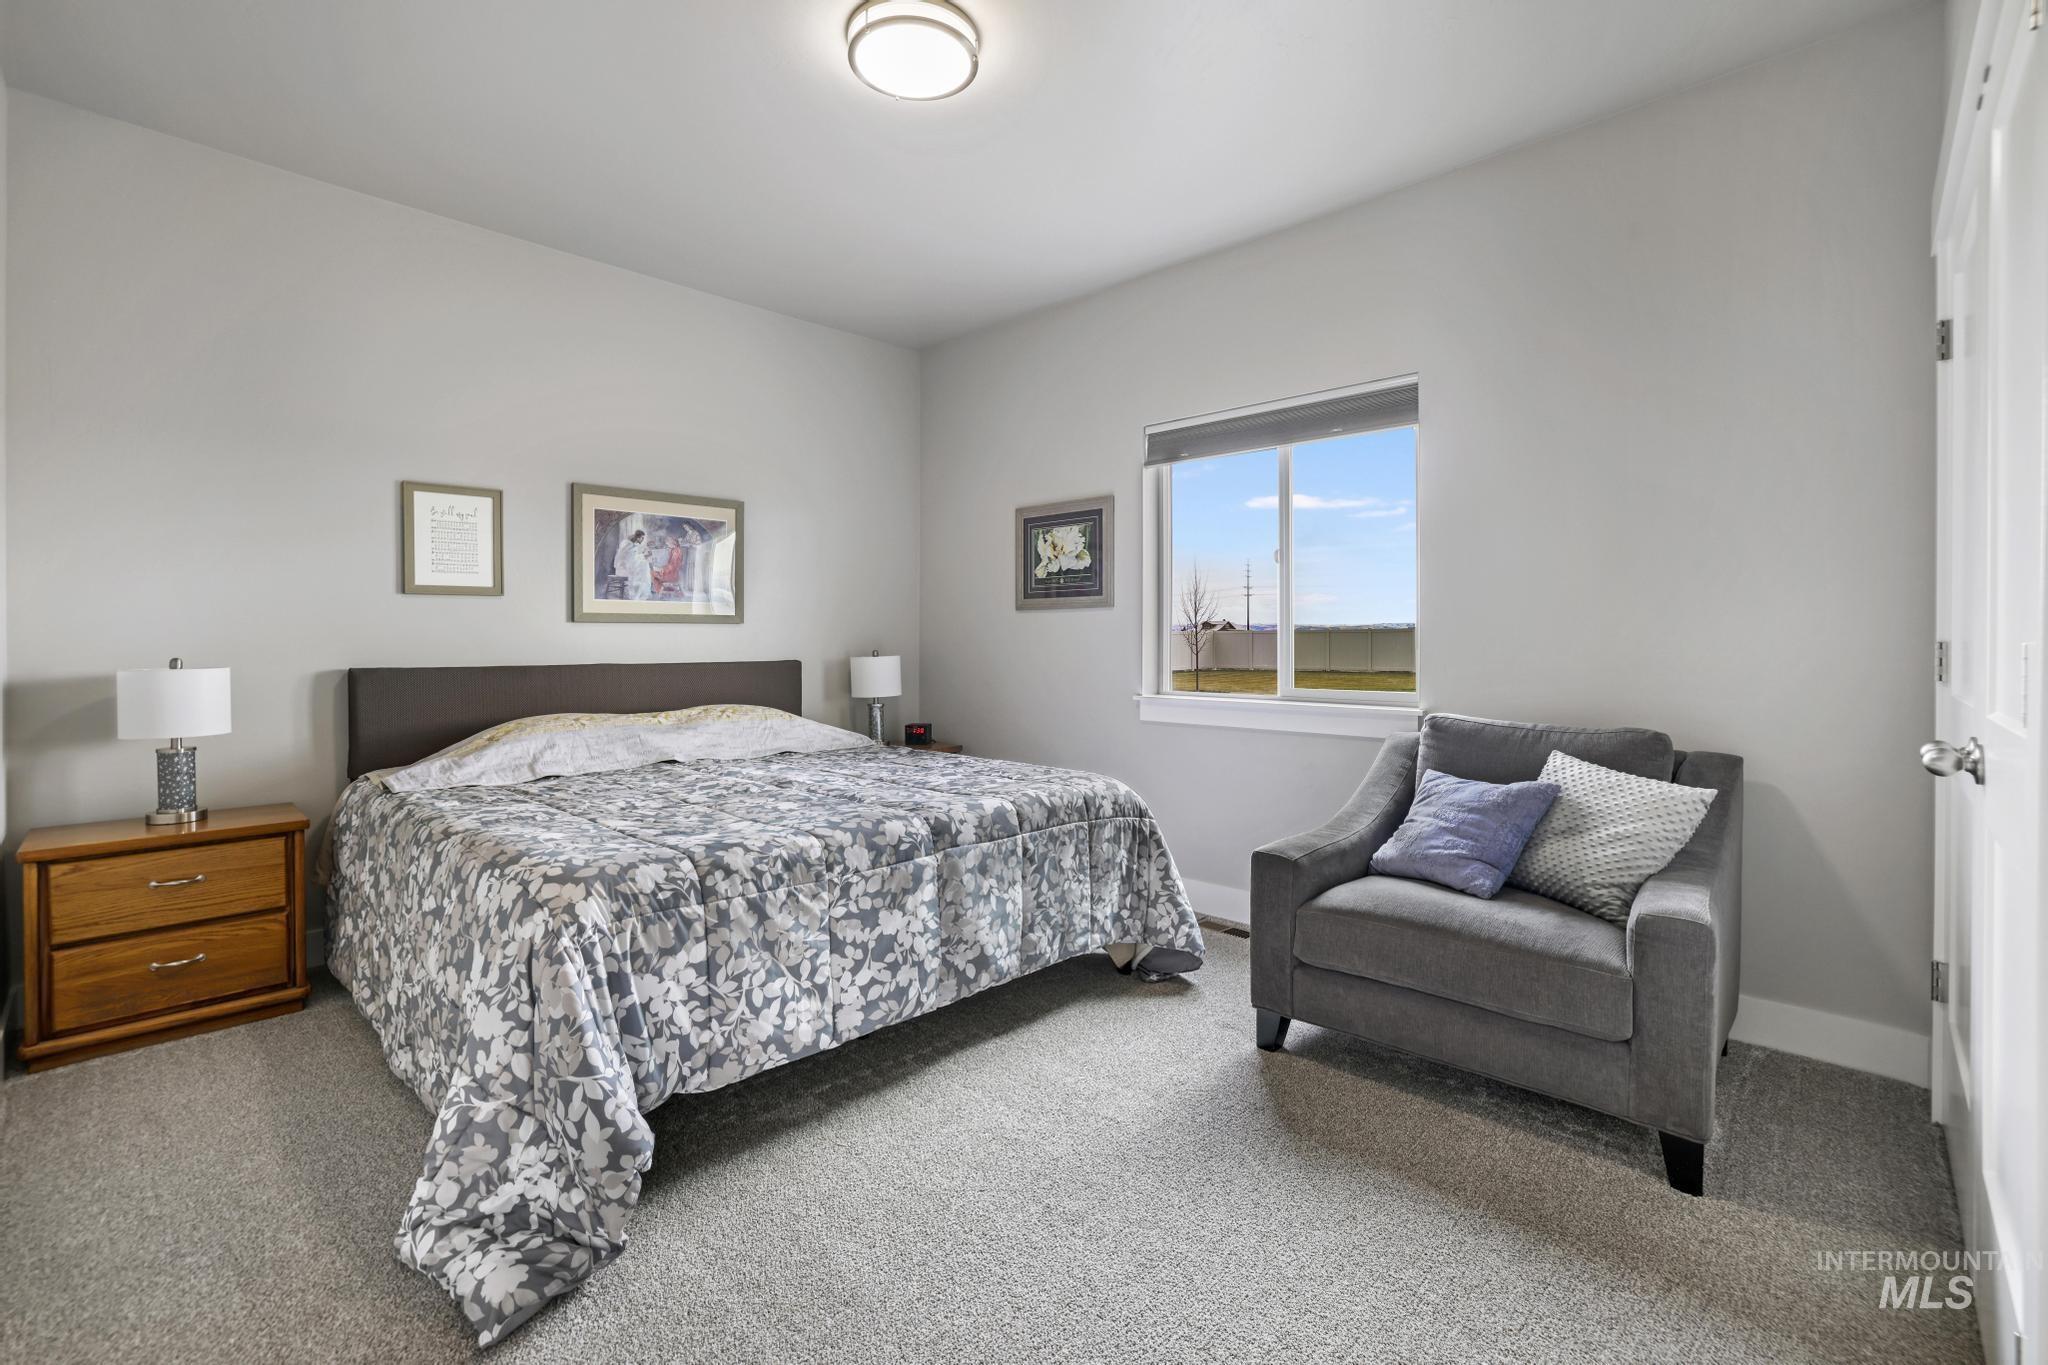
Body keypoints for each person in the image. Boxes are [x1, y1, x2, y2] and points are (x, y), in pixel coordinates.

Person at [613, 528, 653, 600]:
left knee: (644, 565)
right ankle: (638, 593)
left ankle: (640, 592)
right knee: (643, 568)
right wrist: (645, 555)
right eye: (642, 538)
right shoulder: (628, 544)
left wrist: (643, 554)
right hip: (622, 569)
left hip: (626, 566)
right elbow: (629, 559)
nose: (643, 540)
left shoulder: (631, 544)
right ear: (638, 537)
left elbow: (633, 557)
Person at [651, 532, 685, 598]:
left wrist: (661, 569)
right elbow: (670, 564)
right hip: (672, 572)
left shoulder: (676, 551)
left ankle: (660, 591)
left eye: (668, 543)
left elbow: (672, 566)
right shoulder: (674, 550)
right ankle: (661, 590)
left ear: (673, 543)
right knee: (655, 571)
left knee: (653, 573)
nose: (667, 544)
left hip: (672, 574)